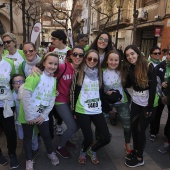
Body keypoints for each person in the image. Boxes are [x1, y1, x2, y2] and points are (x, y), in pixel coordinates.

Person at [18, 52, 59, 170]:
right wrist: (30, 115)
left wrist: (44, 115)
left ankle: (51, 153)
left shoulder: (53, 80)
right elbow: (26, 95)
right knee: (28, 137)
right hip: (27, 114)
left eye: (55, 64)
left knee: (46, 135)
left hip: (42, 115)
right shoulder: (36, 75)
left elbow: (51, 99)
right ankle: (29, 160)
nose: (53, 66)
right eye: (50, 63)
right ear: (44, 63)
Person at [70, 49, 111, 165]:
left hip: (97, 110)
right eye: (89, 58)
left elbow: (101, 93)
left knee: (106, 138)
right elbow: (73, 92)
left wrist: (107, 107)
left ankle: (92, 150)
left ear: (98, 61)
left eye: (95, 59)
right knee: (88, 138)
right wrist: (73, 110)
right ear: (85, 59)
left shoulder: (99, 73)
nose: (92, 61)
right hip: (82, 110)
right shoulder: (79, 72)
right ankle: (83, 152)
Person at [124, 45, 157, 168]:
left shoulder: (148, 66)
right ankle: (136, 150)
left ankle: (140, 158)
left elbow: (153, 89)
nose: (130, 57)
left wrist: (149, 108)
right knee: (133, 128)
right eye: (127, 55)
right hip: (136, 102)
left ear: (138, 53)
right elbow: (128, 84)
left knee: (140, 130)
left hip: (148, 104)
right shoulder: (130, 68)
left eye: (132, 54)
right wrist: (124, 73)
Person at [101, 50, 132, 154]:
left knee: (127, 124)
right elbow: (98, 89)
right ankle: (98, 141)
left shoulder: (122, 71)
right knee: (101, 124)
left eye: (116, 60)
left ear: (119, 61)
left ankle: (127, 143)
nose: (113, 62)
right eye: (111, 59)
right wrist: (106, 92)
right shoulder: (101, 71)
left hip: (122, 101)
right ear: (107, 60)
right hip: (106, 102)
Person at [0, 38, 19, 169]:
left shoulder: (8, 63)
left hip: (6, 103)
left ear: (2, 47)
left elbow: (12, 81)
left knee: (10, 131)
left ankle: (12, 154)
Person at [151, 49, 170, 153]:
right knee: (157, 113)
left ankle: (167, 134)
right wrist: (162, 84)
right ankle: (153, 132)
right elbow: (155, 79)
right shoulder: (161, 66)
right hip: (161, 94)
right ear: (167, 54)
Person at [11, 74, 25, 140]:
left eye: (21, 81)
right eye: (16, 82)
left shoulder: (29, 93)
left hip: (29, 120)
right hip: (19, 120)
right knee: (21, 136)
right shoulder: (11, 95)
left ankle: (34, 148)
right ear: (13, 85)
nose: (19, 83)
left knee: (32, 137)